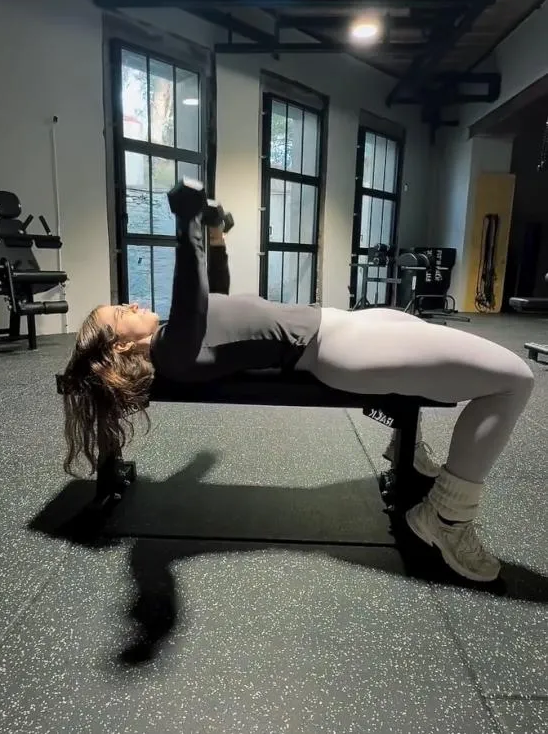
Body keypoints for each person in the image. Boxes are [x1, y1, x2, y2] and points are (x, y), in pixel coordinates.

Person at [63, 204, 534, 584]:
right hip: (340, 345)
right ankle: (447, 518)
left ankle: (406, 451)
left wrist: (216, 237)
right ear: (120, 345)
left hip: (342, 326)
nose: (130, 303)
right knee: (514, 379)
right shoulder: (171, 351)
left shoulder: (178, 337)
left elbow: (213, 295)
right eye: (120, 311)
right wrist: (187, 222)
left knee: (448, 352)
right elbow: (190, 290)